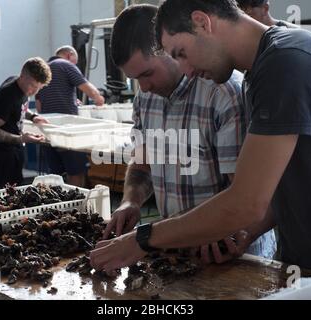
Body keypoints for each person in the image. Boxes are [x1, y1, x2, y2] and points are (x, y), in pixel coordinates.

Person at [90, 0, 311, 273]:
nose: (186, 70)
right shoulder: (262, 71)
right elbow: (274, 189)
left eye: (181, 52)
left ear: (202, 22)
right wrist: (244, 233)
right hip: (307, 257)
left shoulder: (286, 62)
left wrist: (143, 239)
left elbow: (247, 202)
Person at [102, 4, 276, 263]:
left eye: (148, 73)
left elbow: (245, 199)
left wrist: (222, 233)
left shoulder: (224, 93)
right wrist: (131, 201)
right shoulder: (145, 99)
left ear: (170, 49)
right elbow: (142, 163)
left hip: (231, 255)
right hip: (175, 252)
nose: (145, 87)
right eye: (136, 78)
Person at [35, 46, 105, 187]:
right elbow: (87, 89)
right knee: (76, 172)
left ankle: (59, 205)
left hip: (48, 131)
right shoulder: (66, 65)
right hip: (68, 131)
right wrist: (99, 99)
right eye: (75, 61)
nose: (75, 64)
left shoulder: (44, 69)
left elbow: (39, 104)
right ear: (69, 55)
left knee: (55, 175)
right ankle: (77, 206)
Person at [0, 57, 52, 189]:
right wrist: (21, 138)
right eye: (32, 85)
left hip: (15, 148)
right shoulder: (7, 95)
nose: (34, 91)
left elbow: (18, 108)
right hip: (2, 152)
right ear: (22, 76)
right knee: (5, 194)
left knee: (17, 189)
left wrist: (33, 116)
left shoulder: (21, 85)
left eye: (39, 88)